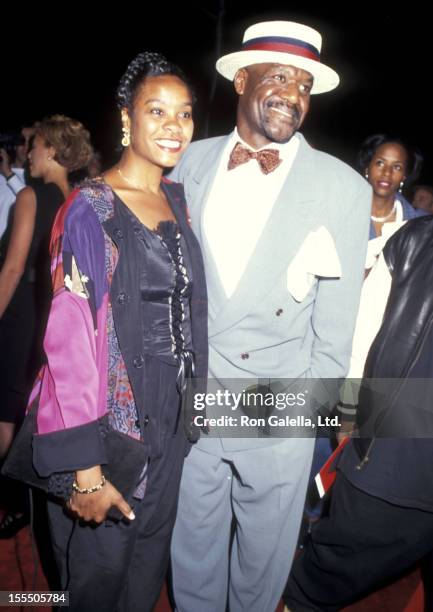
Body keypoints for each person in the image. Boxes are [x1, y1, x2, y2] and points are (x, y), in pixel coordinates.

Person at [169, 20, 371, 612]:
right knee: (193, 548)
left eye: (305, 84)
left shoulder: (342, 187)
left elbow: (336, 328)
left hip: (276, 404)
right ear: (241, 79)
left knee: (262, 564)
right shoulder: (187, 163)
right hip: (195, 398)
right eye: (279, 76)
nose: (293, 94)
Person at [19, 52, 207, 611]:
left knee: (146, 571)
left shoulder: (177, 199)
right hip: (109, 427)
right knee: (94, 586)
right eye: (157, 111)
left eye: (186, 114)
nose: (174, 126)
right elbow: (69, 344)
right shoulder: (89, 208)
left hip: (170, 420)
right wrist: (86, 472)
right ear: (126, 118)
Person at [283, 214, 433, 612]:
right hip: (393, 459)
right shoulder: (416, 238)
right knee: (320, 581)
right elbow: (363, 332)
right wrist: (349, 412)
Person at [0, 115, 92, 537]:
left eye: (35, 144)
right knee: (28, 411)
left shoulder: (29, 197)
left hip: (18, 315)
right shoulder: (79, 199)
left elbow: (12, 268)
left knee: (4, 414)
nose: (29, 153)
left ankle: (9, 501)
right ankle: (22, 501)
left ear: (53, 150)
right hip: (55, 318)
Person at [357, 133, 425, 271]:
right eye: (380, 163)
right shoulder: (344, 212)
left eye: (397, 167)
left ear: (404, 176)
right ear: (367, 168)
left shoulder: (420, 223)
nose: (387, 173)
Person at [0, 124, 35, 238]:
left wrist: (8, 174)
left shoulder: (38, 180)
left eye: (31, 142)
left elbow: (33, 204)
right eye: (21, 141)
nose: (26, 146)